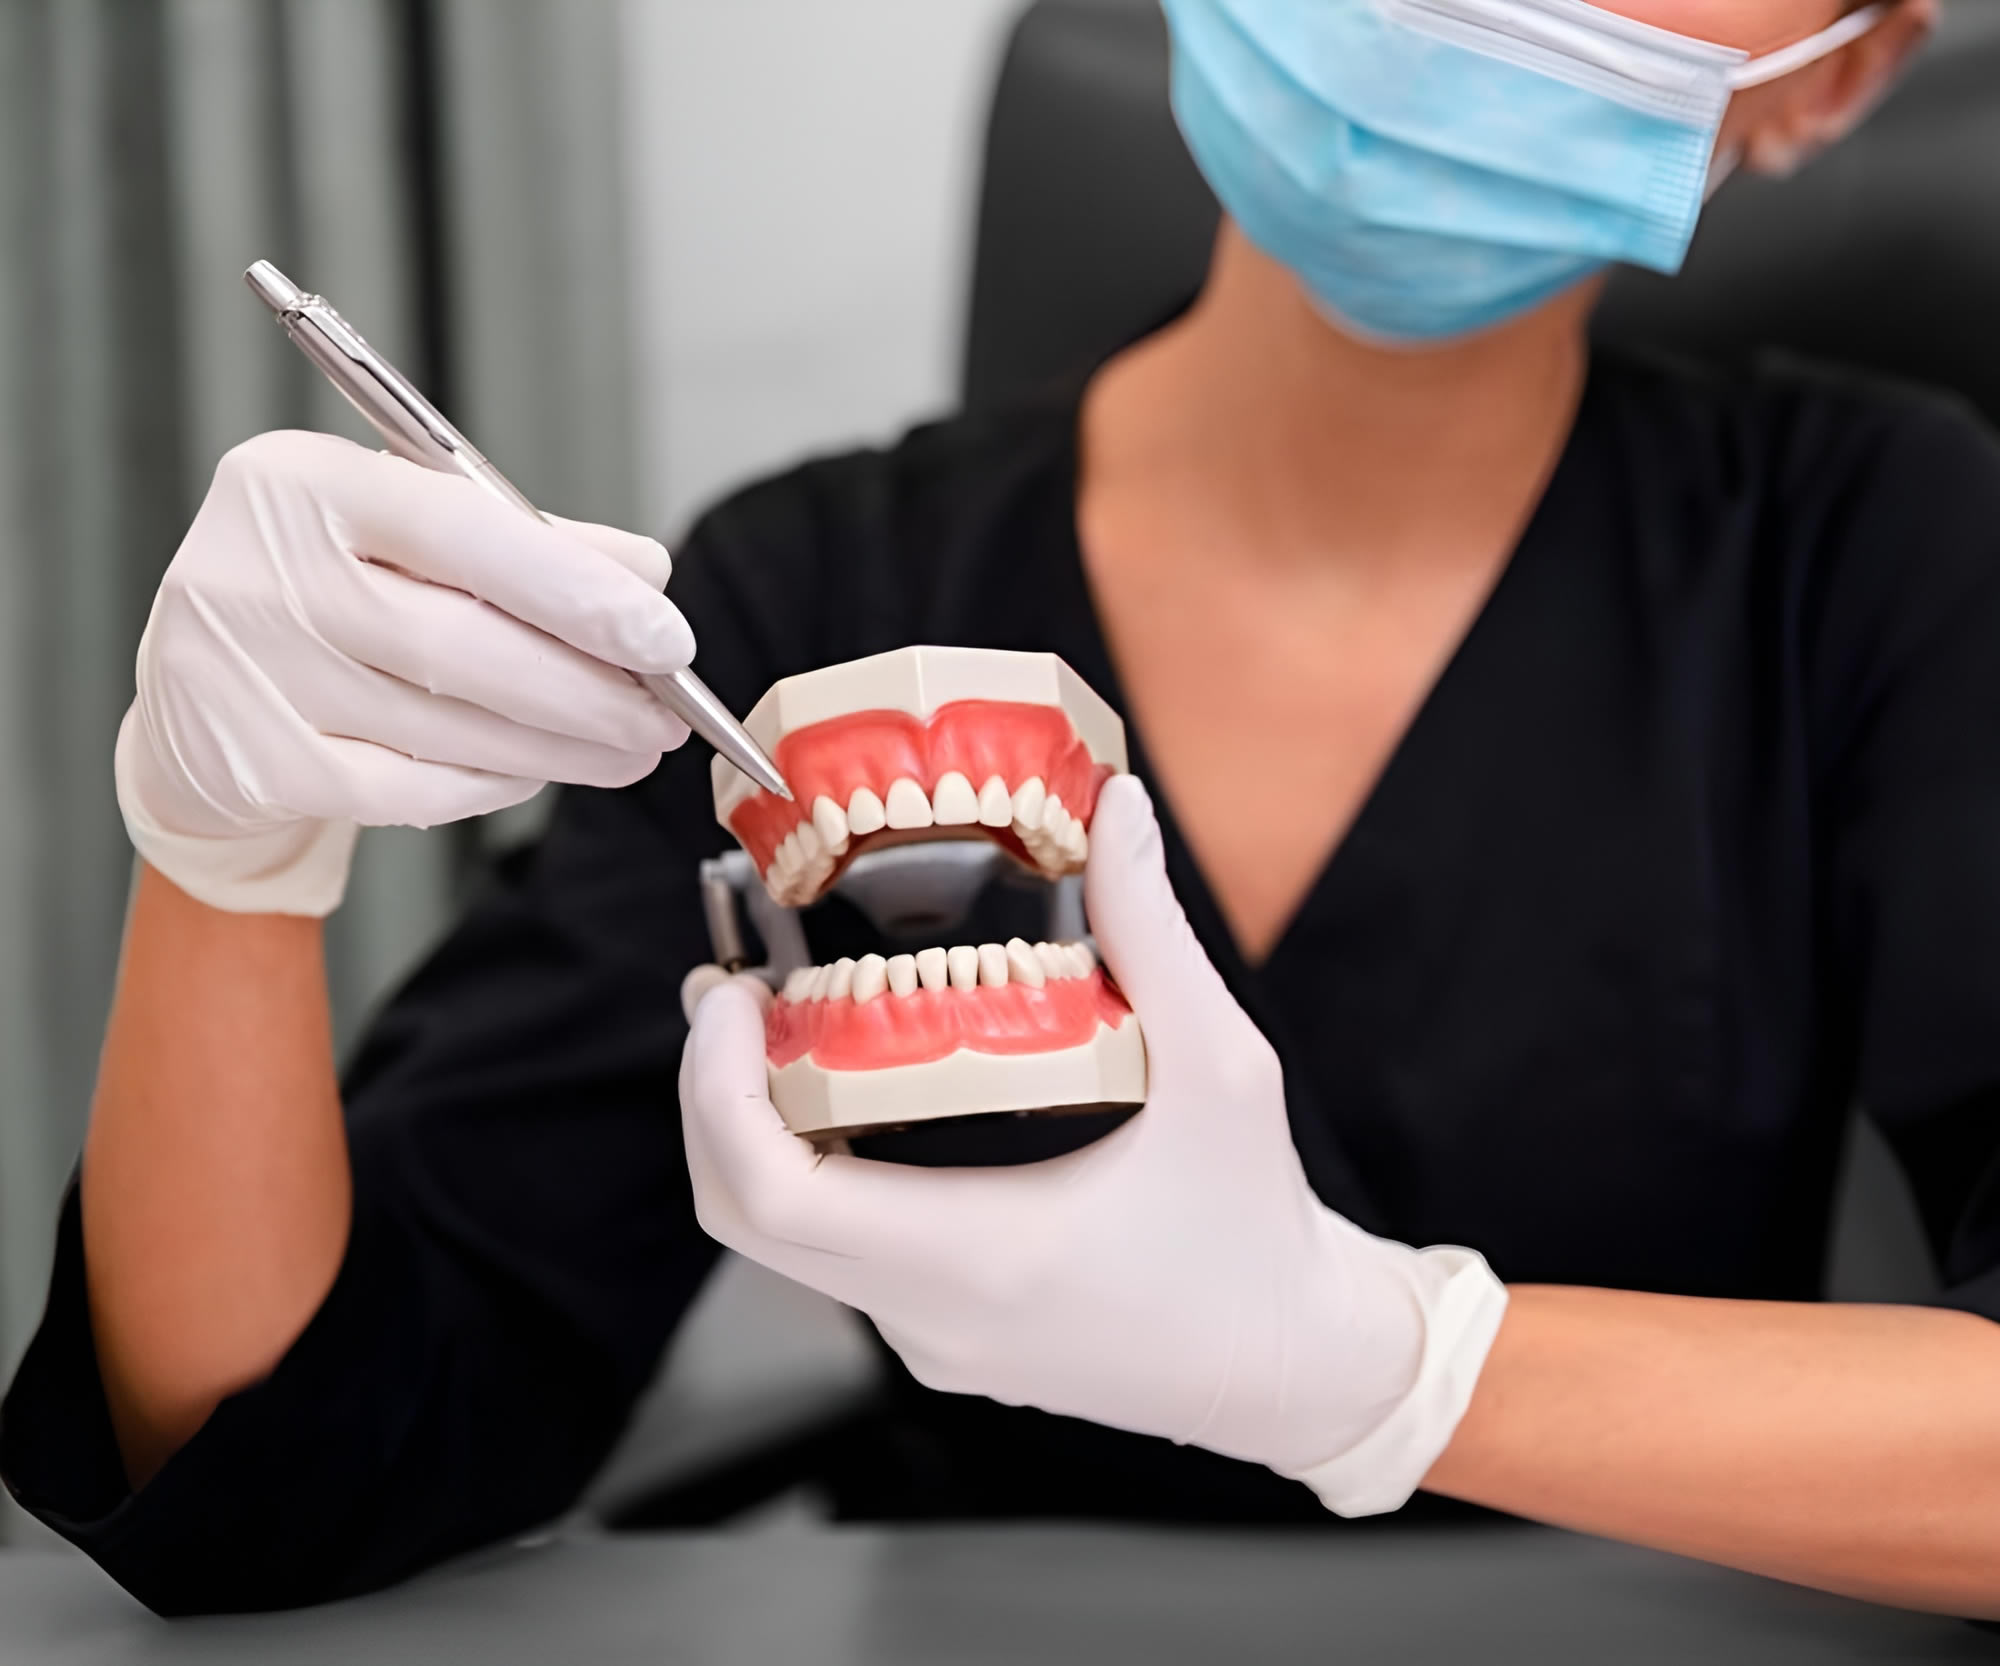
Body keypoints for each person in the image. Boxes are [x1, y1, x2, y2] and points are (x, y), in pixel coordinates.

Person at [6, 0, 1998, 1622]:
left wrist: (1396, 1363)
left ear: (1832, 68)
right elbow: (273, 1453)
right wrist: (227, 857)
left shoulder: (1888, 552)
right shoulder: (813, 596)